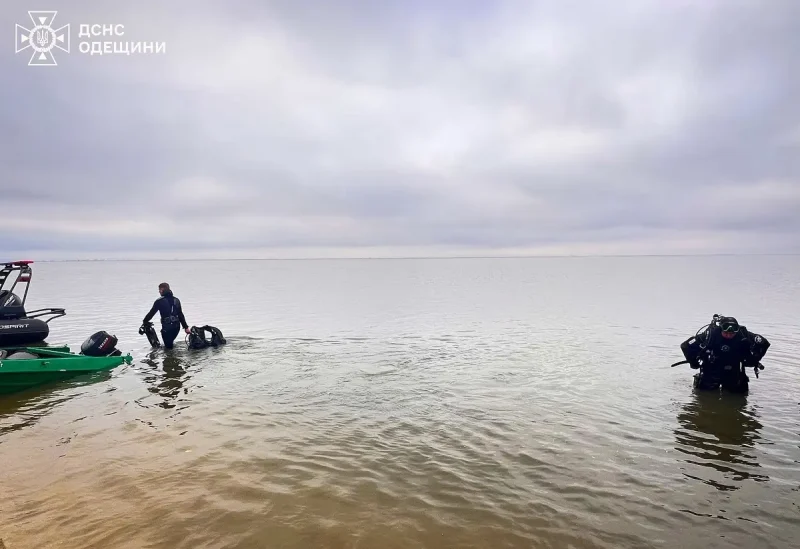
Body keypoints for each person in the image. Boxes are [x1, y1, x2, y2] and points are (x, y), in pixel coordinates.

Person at [680, 315, 770, 392]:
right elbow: (686, 346)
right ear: (720, 329)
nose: (729, 335)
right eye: (726, 333)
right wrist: (693, 362)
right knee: (704, 396)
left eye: (732, 333)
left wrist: (754, 360)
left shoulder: (743, 334)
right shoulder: (710, 334)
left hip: (734, 369)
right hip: (711, 367)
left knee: (738, 396)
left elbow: (764, 343)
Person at [142, 282, 190, 349]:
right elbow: (180, 315)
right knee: (170, 343)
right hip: (176, 327)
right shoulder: (176, 300)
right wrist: (186, 328)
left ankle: (170, 357)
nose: (159, 291)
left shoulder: (159, 301)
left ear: (162, 290)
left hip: (167, 328)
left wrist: (145, 321)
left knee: (168, 348)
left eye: (159, 290)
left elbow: (151, 313)